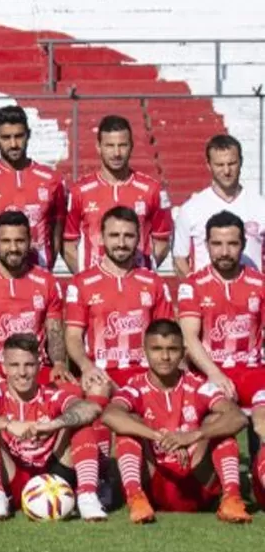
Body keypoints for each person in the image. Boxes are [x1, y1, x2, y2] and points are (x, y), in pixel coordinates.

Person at [100, 319, 251, 524]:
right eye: (157, 349)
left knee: (218, 422)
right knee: (129, 423)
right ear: (144, 350)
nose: (165, 356)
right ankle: (135, 498)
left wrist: (194, 436)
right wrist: (158, 436)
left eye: (172, 349)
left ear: (183, 352)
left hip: (196, 480)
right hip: (154, 480)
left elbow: (238, 417)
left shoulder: (199, 385)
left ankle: (232, 499)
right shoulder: (134, 387)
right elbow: (110, 415)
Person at [0, 333, 105, 522]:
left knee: (81, 424)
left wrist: (53, 425)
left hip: (52, 474)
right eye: (15, 365)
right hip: (13, 473)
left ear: (39, 366)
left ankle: (88, 497)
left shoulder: (51, 394)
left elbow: (91, 408)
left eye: (29, 365)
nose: (22, 373)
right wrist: (8, 424)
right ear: (4, 367)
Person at [64, 206, 174, 389]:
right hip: (102, 375)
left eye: (128, 236)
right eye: (114, 235)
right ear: (101, 238)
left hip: (146, 375)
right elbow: (73, 336)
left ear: (138, 239)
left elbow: (167, 335)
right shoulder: (81, 283)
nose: (121, 243)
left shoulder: (154, 282)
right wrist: (87, 367)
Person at [0, 210, 67, 384]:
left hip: (36, 369)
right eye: (6, 241)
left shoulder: (47, 282)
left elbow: (54, 333)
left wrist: (60, 363)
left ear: (29, 242)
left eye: (19, 241)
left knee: (73, 393)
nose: (13, 248)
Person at [176, 210, 265, 405]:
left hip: (253, 371)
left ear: (243, 244)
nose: (224, 252)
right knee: (220, 421)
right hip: (208, 373)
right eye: (217, 244)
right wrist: (215, 374)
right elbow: (189, 338)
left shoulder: (260, 283)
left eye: (232, 244)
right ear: (207, 245)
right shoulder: (192, 285)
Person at [63, 115, 171, 272]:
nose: (116, 153)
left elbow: (162, 240)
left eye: (122, 145)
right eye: (109, 146)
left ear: (132, 146)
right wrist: (86, 278)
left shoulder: (152, 190)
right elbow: (68, 243)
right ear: (98, 147)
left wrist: (142, 271)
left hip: (138, 287)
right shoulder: (79, 191)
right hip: (95, 291)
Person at [0, 106, 65, 271]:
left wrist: (46, 270)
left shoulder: (53, 180)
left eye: (19, 136)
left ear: (29, 135)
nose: (13, 144)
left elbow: (56, 236)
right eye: (6, 137)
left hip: (38, 279)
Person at [173, 134, 265, 275]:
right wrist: (196, 290)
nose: (227, 171)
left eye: (232, 163)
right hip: (208, 295)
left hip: (252, 294)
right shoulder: (191, 209)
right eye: (220, 165)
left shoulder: (260, 206)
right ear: (209, 165)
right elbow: (180, 258)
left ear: (241, 162)